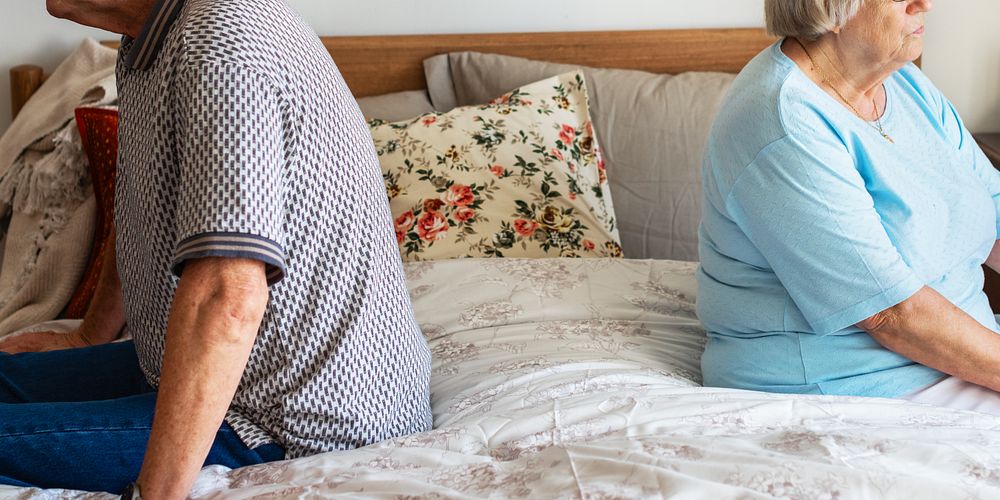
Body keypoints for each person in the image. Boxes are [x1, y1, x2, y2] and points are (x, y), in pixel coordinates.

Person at [0, 0, 432, 497]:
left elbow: (228, 295)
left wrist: (156, 494)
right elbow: (147, 200)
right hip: (214, 367)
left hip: (293, 416)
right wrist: (88, 336)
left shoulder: (219, 47)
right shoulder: (156, 34)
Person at [698, 0, 1000, 415]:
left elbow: (994, 210)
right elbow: (891, 314)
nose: (924, 4)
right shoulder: (784, 122)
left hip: (954, 358)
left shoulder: (905, 84)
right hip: (855, 383)